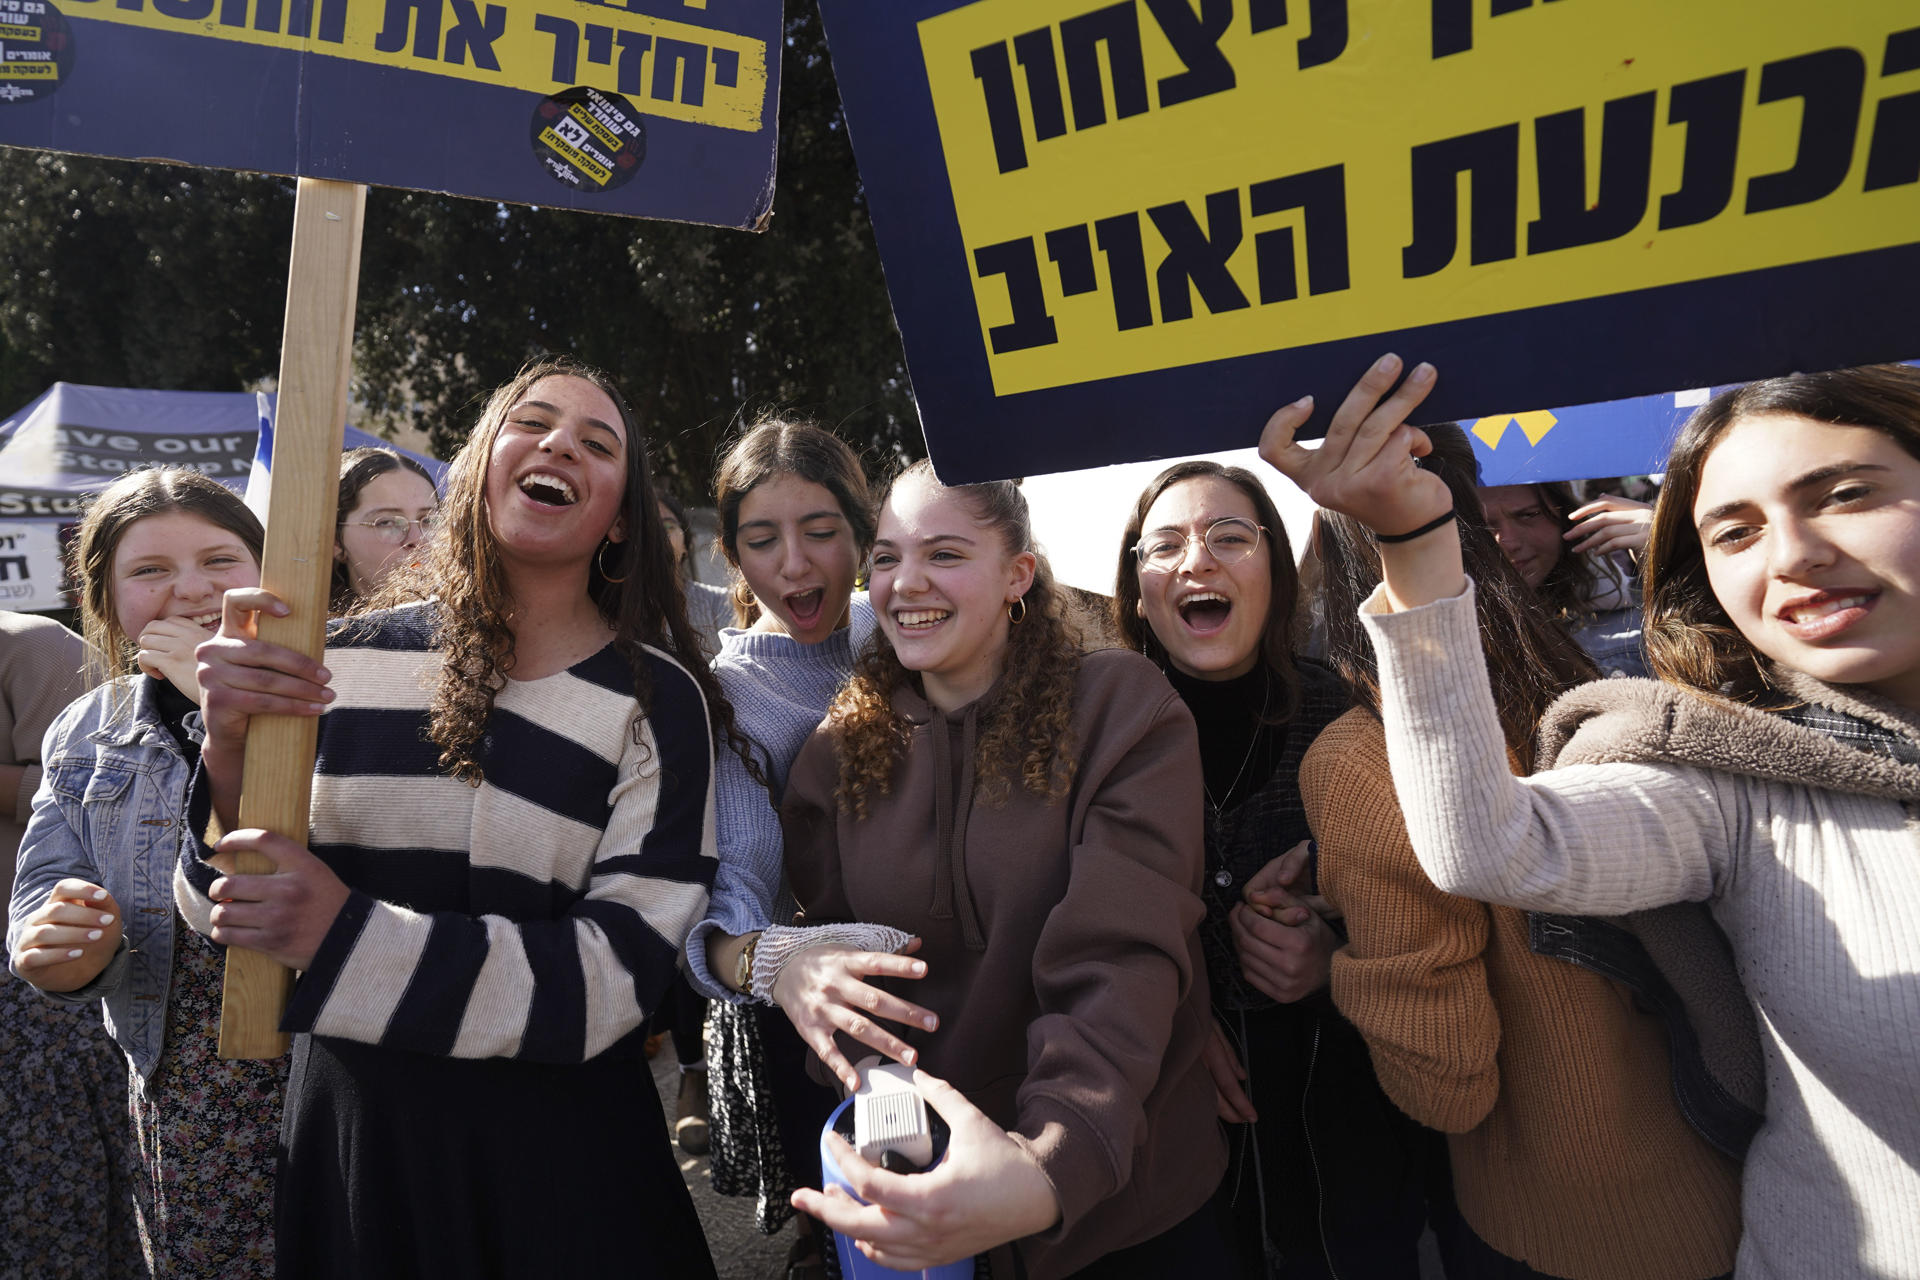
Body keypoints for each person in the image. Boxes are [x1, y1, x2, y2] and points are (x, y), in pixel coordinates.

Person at [1260, 356, 1920, 1280]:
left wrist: (1339, 971)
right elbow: (1493, 845)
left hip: (1587, 1224)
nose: (1793, 554)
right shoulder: (1699, 748)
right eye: (1734, 532)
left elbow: (1444, 1080)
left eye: (1847, 494)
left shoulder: (1651, 703)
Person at [178, 357, 726, 1279]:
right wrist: (228, 752)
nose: (560, 445)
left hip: (566, 1162)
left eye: (598, 443)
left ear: (621, 518)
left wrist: (345, 934)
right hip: (361, 1156)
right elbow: (222, 917)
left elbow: (621, 975)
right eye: (533, 423)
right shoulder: (327, 662)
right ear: (471, 469)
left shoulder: (656, 701)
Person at [771, 460, 1228, 1278]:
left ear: (1019, 574)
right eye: (885, 558)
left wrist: (1048, 1162)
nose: (906, 582)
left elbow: (1121, 960)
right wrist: (885, 1116)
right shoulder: (835, 755)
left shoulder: (1121, 708)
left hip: (1126, 1204)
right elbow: (844, 974)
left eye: (944, 554)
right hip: (934, 1214)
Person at [1307, 423, 1742, 1280]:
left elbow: (1446, 1080)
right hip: (1736, 1168)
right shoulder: (1589, 673)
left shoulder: (1359, 757)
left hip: (1569, 1225)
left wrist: (1343, 954)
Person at [1110, 461, 1434, 1279]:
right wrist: (1186, 1011)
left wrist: (1333, 960)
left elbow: (1439, 930)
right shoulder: (1089, 744)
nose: (1197, 562)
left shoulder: (1356, 720)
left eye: (1229, 537)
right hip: (1171, 1146)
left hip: (1342, 1134)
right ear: (1140, 589)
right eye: (1166, 545)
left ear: (1278, 571)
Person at [8, 468, 285, 1276]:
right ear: (107, 602)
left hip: (336, 1071)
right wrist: (52, 948)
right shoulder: (87, 727)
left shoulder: (339, 696)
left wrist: (223, 710)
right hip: (185, 1087)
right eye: (150, 571)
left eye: (220, 560)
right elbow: (41, 889)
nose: (189, 590)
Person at [686, 416, 876, 1276]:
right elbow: (739, 891)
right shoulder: (729, 698)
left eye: (821, 532)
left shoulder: (912, 622)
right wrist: (775, 962)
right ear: (732, 554)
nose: (795, 566)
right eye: (763, 540)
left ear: (865, 534)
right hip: (815, 1025)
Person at [1479, 481, 1652, 676]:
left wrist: (1674, 564)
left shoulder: (1635, 629)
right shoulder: (1445, 642)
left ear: (1566, 517)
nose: (1509, 542)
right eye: (1482, 524)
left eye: (1529, 515)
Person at [330, 446, 438, 613]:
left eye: (428, 520)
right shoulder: (311, 634)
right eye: (387, 522)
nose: (417, 539)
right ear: (336, 540)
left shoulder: (474, 627)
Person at [657, 488, 735, 660]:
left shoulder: (721, 605)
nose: (658, 536)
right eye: (645, 528)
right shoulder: (611, 616)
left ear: (687, 543)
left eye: (668, 526)